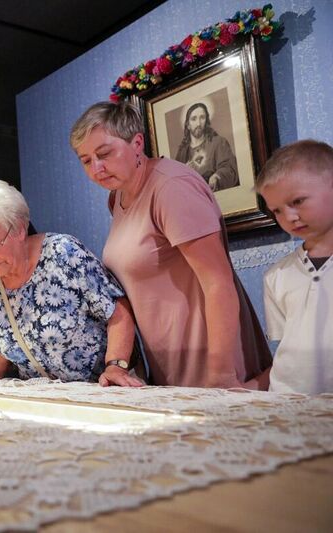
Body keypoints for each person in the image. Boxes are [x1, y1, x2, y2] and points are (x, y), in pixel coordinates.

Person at [71, 100, 271, 389]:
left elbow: (218, 282)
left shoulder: (171, 187)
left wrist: (221, 373)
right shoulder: (116, 198)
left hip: (210, 357)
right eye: (86, 160)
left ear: (137, 143)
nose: (97, 168)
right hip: (168, 356)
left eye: (104, 153)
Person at [0, 179, 142, 386]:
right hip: (46, 399)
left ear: (20, 229)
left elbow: (117, 310)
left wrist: (115, 367)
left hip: (100, 389)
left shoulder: (63, 253)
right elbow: (13, 332)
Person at [257, 140, 333, 394]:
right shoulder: (275, 276)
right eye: (276, 210)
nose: (288, 218)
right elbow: (286, 350)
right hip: (288, 405)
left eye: (298, 201)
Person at [174, 102, 239, 191]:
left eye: (202, 118)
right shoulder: (182, 153)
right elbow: (175, 183)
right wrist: (185, 173)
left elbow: (229, 167)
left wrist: (217, 176)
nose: (198, 123)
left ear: (206, 121)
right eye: (194, 119)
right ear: (188, 125)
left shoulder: (219, 143)